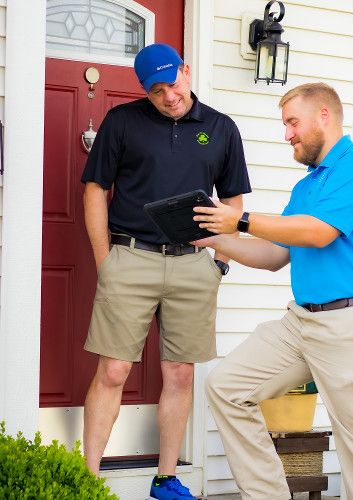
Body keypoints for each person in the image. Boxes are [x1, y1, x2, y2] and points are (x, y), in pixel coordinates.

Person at [193, 83, 353, 500]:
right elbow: (274, 254)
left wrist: (241, 218)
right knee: (226, 386)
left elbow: (318, 233)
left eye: (292, 123)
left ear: (324, 116)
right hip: (301, 323)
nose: (287, 134)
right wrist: (214, 239)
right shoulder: (306, 187)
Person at [80, 43, 251, 500]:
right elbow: (96, 189)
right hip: (131, 258)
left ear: (186, 71)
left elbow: (233, 202)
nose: (169, 97)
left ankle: (165, 478)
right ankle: (86, 480)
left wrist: (220, 262)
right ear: (145, 91)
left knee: (179, 375)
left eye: (173, 84)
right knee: (114, 370)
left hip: (195, 265)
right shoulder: (122, 122)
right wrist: (105, 260)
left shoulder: (220, 128)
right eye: (157, 91)